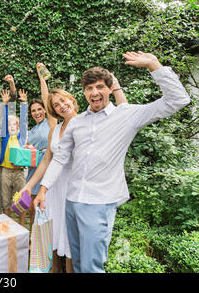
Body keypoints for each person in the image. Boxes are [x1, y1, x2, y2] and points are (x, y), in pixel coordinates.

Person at [31, 52, 190, 273]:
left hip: (99, 203)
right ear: (84, 93)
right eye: (89, 88)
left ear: (110, 88)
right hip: (72, 201)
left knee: (91, 267)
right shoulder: (77, 123)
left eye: (99, 87)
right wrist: (43, 189)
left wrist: (154, 65)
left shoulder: (126, 116)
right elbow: (59, 158)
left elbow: (178, 100)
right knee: (76, 263)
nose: (94, 92)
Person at [25, 64, 58, 225]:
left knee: (44, 207)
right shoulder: (31, 131)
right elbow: (26, 151)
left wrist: (41, 78)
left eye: (39, 109)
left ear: (44, 110)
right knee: (31, 207)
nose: (37, 112)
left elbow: (46, 99)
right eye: (33, 111)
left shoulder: (51, 123)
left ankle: (48, 241)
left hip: (47, 169)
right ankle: (33, 238)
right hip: (33, 170)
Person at [0, 87, 28, 226]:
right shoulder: (5, 137)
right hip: (5, 171)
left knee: (21, 199)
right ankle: (8, 226)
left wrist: (23, 105)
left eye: (14, 124)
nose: (11, 126)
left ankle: (21, 226)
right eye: (9, 124)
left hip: (19, 172)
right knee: (5, 200)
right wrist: (5, 105)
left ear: (17, 127)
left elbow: (23, 122)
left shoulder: (21, 138)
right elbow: (4, 121)